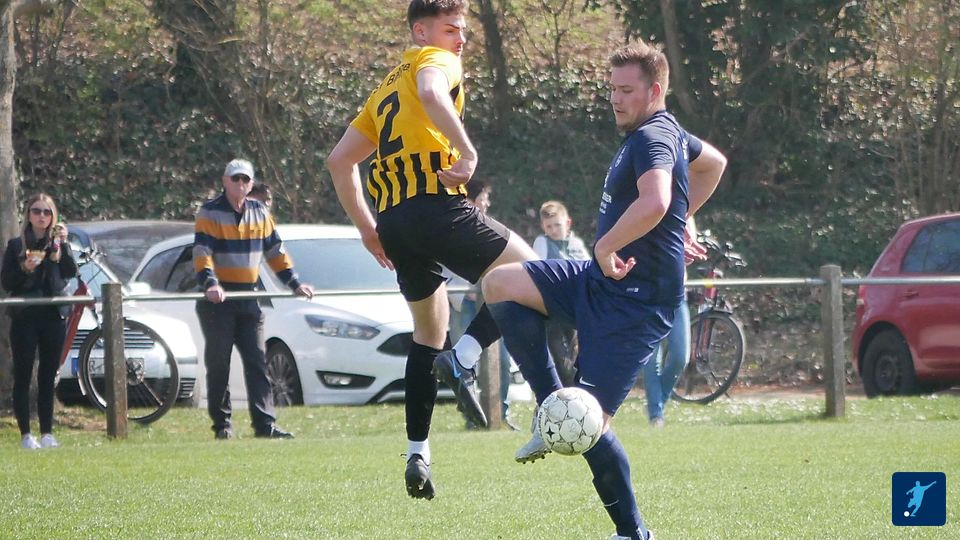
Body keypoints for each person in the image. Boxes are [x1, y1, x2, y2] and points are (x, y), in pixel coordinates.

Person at [482, 42, 727, 540]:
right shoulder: (666, 132)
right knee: (500, 283)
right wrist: (682, 221)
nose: (615, 98)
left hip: (635, 304)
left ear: (654, 91)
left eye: (626, 90)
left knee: (591, 424)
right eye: (611, 88)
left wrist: (607, 243)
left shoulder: (653, 136)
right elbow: (714, 164)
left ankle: (633, 533)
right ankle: (551, 405)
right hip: (604, 282)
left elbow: (656, 200)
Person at [325, 0, 536, 500]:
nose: (460, 39)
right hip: (437, 207)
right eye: (450, 29)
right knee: (535, 273)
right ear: (421, 32)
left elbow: (339, 161)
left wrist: (367, 229)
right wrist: (468, 150)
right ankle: (465, 357)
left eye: (463, 31)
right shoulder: (434, 61)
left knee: (427, 334)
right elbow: (431, 91)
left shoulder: (384, 88)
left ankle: (417, 452)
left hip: (395, 223)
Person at [193, 158, 314, 440]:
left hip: (249, 295)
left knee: (257, 362)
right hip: (218, 300)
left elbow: (275, 252)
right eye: (235, 179)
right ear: (225, 182)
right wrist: (211, 283)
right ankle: (222, 426)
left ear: (250, 184)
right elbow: (202, 252)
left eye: (245, 179)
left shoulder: (259, 211)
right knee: (219, 363)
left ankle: (265, 424)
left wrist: (294, 283)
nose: (240, 184)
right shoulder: (209, 212)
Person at [1, 194, 77, 450]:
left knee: (48, 374)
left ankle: (47, 433)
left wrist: (64, 246)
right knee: (23, 373)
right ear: (28, 215)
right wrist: (25, 267)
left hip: (53, 314)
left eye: (47, 212)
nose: (42, 216)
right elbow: (6, 282)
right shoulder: (16, 245)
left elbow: (70, 272)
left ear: (53, 216)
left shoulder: (57, 242)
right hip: (25, 315)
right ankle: (25, 434)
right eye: (36, 211)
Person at [447, 180, 518, 431]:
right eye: (483, 198)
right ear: (470, 200)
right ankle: (472, 417)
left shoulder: (490, 227)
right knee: (465, 363)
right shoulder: (451, 227)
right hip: (463, 304)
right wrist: (464, 290)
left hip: (492, 303)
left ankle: (502, 414)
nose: (486, 203)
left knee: (502, 361)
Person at [642, 216, 706, 427]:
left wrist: (686, 248)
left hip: (676, 294)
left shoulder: (685, 212)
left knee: (680, 356)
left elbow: (687, 254)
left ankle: (657, 401)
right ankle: (656, 413)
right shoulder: (648, 207)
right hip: (647, 292)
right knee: (651, 358)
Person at [532, 200, 590, 386]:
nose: (554, 230)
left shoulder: (576, 244)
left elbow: (588, 270)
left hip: (574, 306)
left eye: (557, 225)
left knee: (575, 350)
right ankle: (569, 388)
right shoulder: (542, 242)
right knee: (558, 353)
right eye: (549, 226)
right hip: (552, 307)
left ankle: (575, 387)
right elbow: (538, 269)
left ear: (568, 223)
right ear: (543, 227)